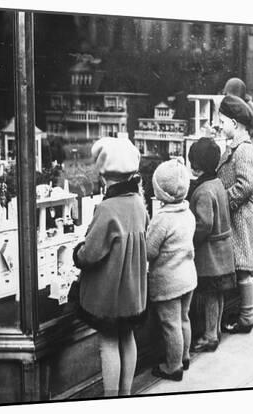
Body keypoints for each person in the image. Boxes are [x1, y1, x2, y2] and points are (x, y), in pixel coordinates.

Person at [73, 137, 148, 397]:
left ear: (105, 176)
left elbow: (90, 253)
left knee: (108, 344)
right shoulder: (138, 203)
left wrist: (76, 254)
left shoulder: (107, 208)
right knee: (128, 338)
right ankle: (126, 395)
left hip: (109, 296)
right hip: (132, 291)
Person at [146, 158, 197, 381]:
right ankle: (185, 356)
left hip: (168, 281)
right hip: (188, 277)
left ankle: (174, 366)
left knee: (171, 324)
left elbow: (149, 251)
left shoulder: (162, 219)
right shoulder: (188, 214)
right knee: (184, 318)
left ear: (161, 193)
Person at [216, 95, 253, 334]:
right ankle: (251, 311)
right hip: (238, 216)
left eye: (222, 121)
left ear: (234, 123)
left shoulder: (243, 150)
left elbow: (246, 186)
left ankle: (246, 319)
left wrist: (221, 201)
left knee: (243, 271)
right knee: (244, 269)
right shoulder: (237, 146)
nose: (219, 125)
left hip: (239, 219)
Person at [187, 138, 236, 352]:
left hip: (210, 255)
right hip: (223, 250)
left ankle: (209, 337)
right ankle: (215, 331)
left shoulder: (204, 191)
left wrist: (190, 238)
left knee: (209, 294)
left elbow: (204, 224)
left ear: (195, 165)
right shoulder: (218, 184)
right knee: (218, 294)